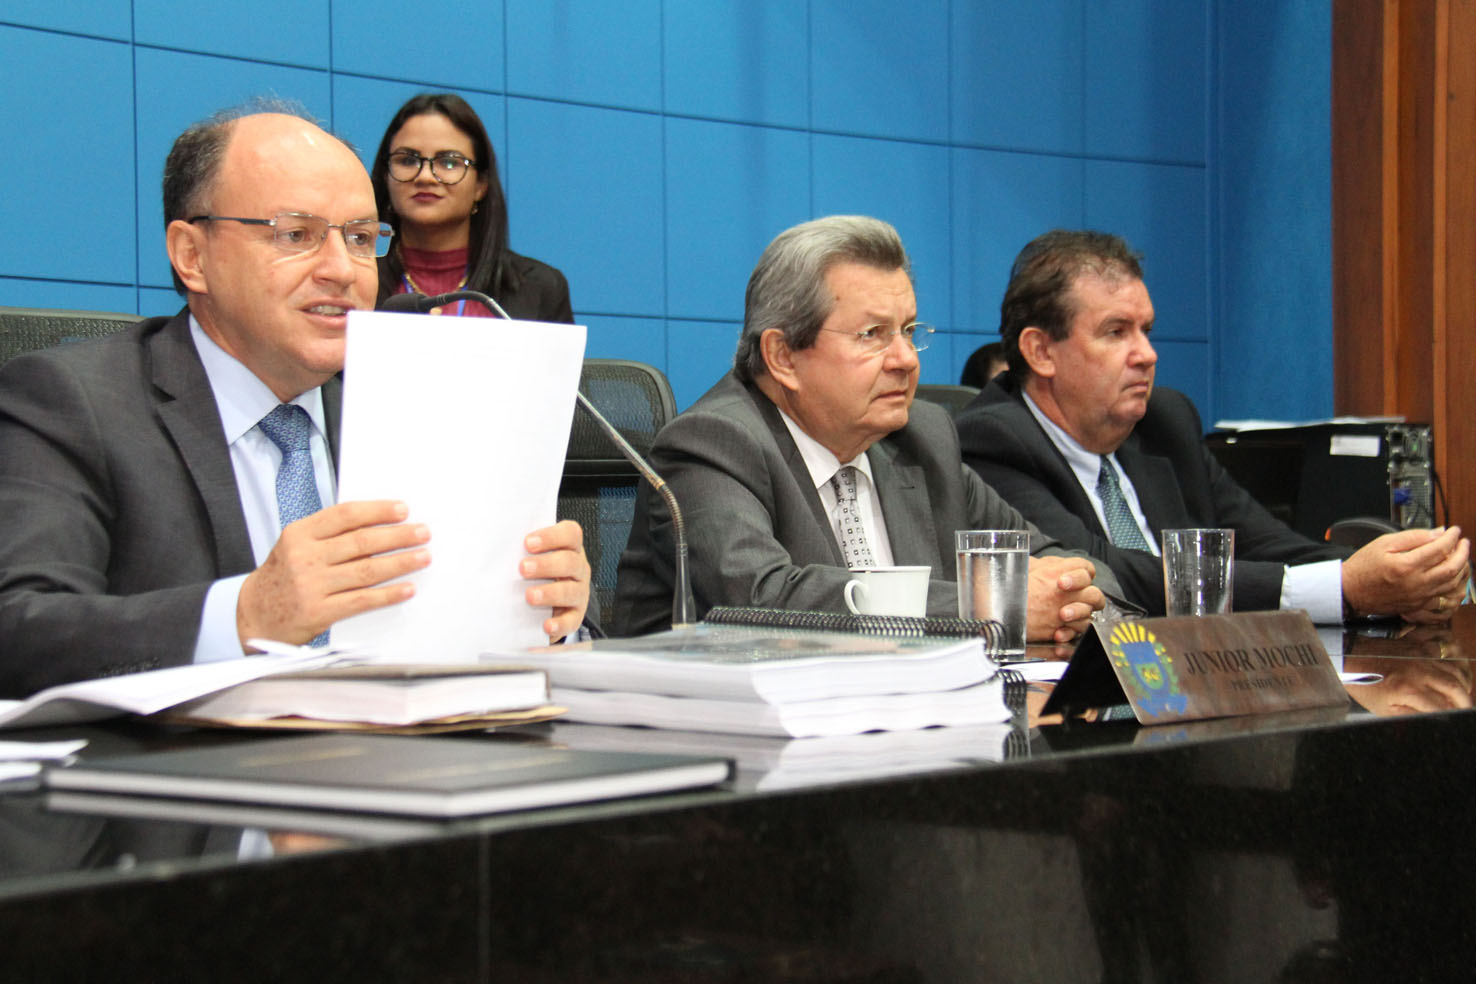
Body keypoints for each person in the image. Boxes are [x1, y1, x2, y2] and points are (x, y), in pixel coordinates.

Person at [0, 105, 590, 698]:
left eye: (360, 239)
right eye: (296, 235)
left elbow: (449, 630)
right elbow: (19, 630)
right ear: (192, 255)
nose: (342, 270)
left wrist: (543, 615)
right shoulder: (71, 403)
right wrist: (244, 615)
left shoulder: (409, 413)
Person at [613, 215, 1120, 639]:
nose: (906, 359)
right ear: (783, 356)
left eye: (908, 331)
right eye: (872, 334)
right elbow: (763, 601)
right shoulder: (712, 445)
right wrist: (990, 604)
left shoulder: (923, 437)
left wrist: (1074, 594)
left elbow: (1063, 563)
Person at [954, 228, 1469, 620]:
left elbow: (1265, 543)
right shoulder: (992, 440)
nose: (1147, 354)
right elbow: (1100, 571)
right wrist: (1345, 588)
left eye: (1146, 330)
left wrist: (1398, 576)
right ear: (1041, 351)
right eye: (1115, 332)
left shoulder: (1166, 421)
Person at [370, 93, 572, 323]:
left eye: (449, 162)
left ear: (481, 185)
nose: (425, 176)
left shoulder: (541, 287)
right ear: (385, 175)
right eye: (407, 160)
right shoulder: (357, 277)